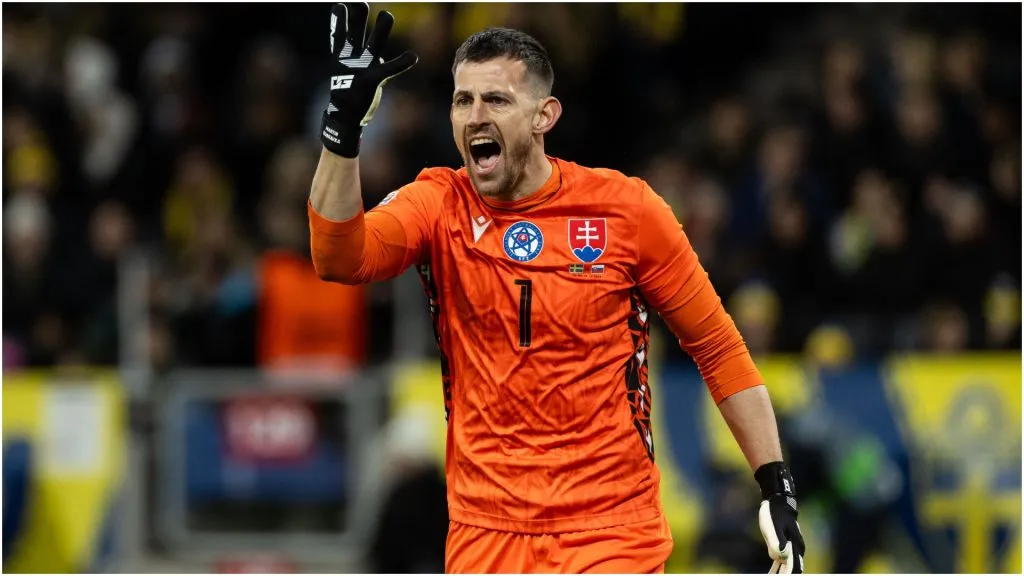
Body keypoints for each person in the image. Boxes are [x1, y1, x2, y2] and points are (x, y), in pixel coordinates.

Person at [308, 3, 806, 573]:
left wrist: (776, 485)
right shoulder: (438, 203)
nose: (474, 116)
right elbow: (337, 257)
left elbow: (718, 349)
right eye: (462, 100)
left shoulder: (626, 211)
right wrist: (342, 127)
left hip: (611, 530)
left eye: (496, 100)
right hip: (485, 534)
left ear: (544, 115)